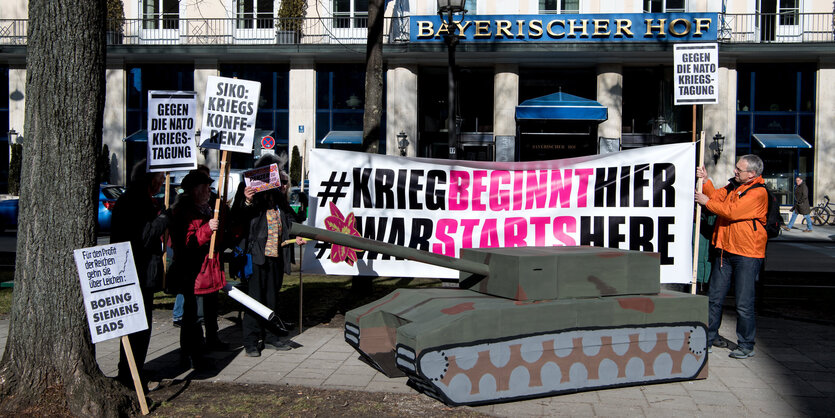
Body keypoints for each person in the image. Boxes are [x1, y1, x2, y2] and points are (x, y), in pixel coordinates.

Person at [695, 154, 768, 359]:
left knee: (744, 302)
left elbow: (731, 211)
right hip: (724, 251)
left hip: (747, 253)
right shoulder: (732, 187)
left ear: (752, 174)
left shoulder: (758, 193)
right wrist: (706, 181)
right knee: (714, 298)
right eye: (736, 168)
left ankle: (746, 344)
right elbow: (716, 197)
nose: (735, 171)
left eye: (739, 169)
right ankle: (709, 338)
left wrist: (706, 202)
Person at [231, 156, 305, 357]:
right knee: (255, 299)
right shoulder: (247, 190)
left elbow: (290, 218)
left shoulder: (277, 194)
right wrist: (247, 200)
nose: (278, 175)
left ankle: (271, 337)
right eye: (275, 171)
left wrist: (297, 234)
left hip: (276, 255)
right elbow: (237, 219)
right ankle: (251, 342)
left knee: (272, 298)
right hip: (256, 255)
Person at [111, 160, 168, 390]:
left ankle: (134, 368)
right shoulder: (136, 201)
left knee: (140, 326)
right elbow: (145, 237)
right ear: (150, 180)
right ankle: (130, 374)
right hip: (136, 271)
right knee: (137, 326)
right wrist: (164, 219)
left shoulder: (135, 199)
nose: (162, 183)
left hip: (137, 270)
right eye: (160, 179)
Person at [168, 171, 222, 369]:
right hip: (191, 270)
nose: (209, 190)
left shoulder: (204, 207)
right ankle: (191, 355)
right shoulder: (184, 211)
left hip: (203, 268)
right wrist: (208, 228)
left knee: (195, 314)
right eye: (205, 186)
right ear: (195, 189)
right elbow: (187, 242)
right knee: (193, 315)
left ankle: (196, 353)